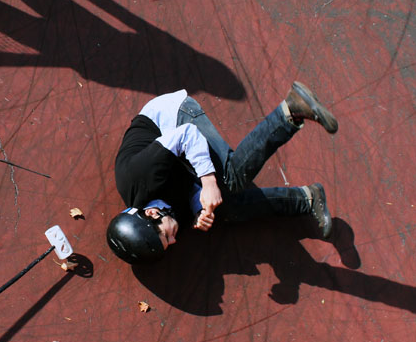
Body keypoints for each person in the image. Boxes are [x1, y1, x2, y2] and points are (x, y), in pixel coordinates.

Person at [106, 83, 337, 263]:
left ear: (151, 213)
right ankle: (307, 199)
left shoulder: (138, 177)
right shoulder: (167, 216)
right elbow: (186, 189)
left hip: (175, 119)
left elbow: (187, 135)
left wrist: (208, 183)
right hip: (178, 161)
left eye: (167, 237)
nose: (175, 239)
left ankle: (291, 110)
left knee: (230, 178)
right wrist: (200, 211)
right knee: (227, 208)